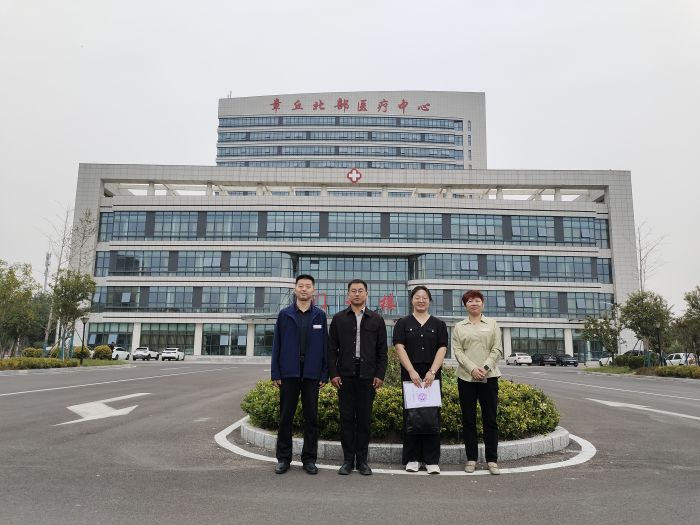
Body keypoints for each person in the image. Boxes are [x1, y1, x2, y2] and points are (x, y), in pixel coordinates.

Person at [328, 279, 388, 476]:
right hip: (345, 375)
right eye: (353, 291)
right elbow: (331, 349)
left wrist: (380, 374)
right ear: (348, 294)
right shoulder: (339, 319)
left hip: (367, 376)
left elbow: (382, 351)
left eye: (360, 291)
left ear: (366, 294)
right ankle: (347, 461)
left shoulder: (376, 319)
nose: (357, 294)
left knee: (364, 419)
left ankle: (362, 461)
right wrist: (333, 373)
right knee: (346, 418)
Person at [271, 274, 328, 475]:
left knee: (311, 418)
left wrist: (324, 373)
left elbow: (325, 346)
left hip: (312, 373)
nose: (304, 289)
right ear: (295, 289)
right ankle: (283, 458)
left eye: (308, 286)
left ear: (313, 290)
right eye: (301, 286)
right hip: (289, 372)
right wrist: (275, 372)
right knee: (286, 417)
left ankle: (309, 459)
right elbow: (277, 344)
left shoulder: (319, 315)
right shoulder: (284, 314)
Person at [393, 285, 448, 474]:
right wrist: (411, 371)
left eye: (424, 297)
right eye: (417, 297)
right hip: (411, 376)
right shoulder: (403, 323)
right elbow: (399, 347)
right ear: (412, 300)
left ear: (430, 301)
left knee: (432, 416)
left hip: (432, 375)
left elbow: (442, 348)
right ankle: (412, 458)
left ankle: (431, 460)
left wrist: (433, 371)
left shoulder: (438, 324)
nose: (421, 300)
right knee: (412, 416)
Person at [452, 289, 503, 475]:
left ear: (482, 303)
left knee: (490, 419)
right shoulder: (459, 327)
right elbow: (458, 352)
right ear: (465, 305)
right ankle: (471, 459)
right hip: (466, 378)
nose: (473, 303)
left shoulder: (492, 324)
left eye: (477, 300)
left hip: (489, 377)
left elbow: (497, 349)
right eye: (470, 301)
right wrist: (472, 369)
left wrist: (485, 368)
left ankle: (492, 460)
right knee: (468, 420)